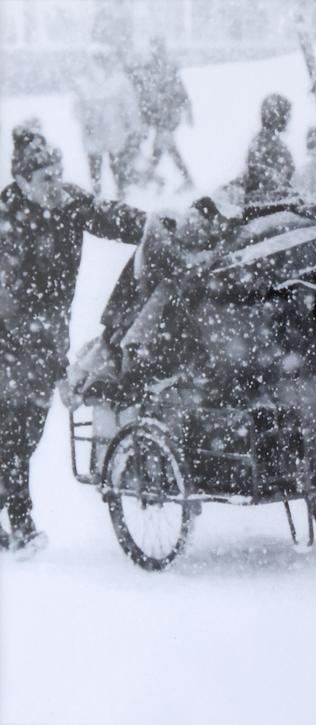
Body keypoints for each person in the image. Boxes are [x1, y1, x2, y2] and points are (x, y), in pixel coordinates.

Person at [0, 127, 149, 552]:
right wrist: (55, 368)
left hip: (44, 338)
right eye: (45, 178)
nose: (55, 184)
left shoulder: (66, 202)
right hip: (10, 339)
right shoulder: (7, 223)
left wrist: (154, 227)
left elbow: (111, 217)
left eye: (57, 173)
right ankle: (24, 526)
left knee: (25, 433)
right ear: (23, 181)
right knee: (13, 431)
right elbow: (11, 304)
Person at [72, 48, 144, 199]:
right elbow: (77, 108)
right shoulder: (82, 82)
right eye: (97, 58)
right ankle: (97, 195)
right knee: (95, 165)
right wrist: (87, 121)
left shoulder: (119, 80)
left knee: (117, 164)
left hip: (114, 130)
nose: (100, 62)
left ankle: (121, 193)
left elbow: (130, 105)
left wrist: (133, 126)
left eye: (103, 58)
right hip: (93, 132)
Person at [133, 37, 194, 191]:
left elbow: (180, 92)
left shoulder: (167, 69)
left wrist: (187, 110)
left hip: (166, 116)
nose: (154, 51)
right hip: (157, 114)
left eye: (156, 47)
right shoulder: (150, 69)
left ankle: (151, 178)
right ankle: (179, 179)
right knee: (165, 147)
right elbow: (144, 94)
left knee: (163, 146)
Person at [244, 93, 295, 202]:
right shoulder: (266, 142)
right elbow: (260, 174)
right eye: (287, 114)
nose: (289, 119)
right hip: (268, 202)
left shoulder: (264, 141)